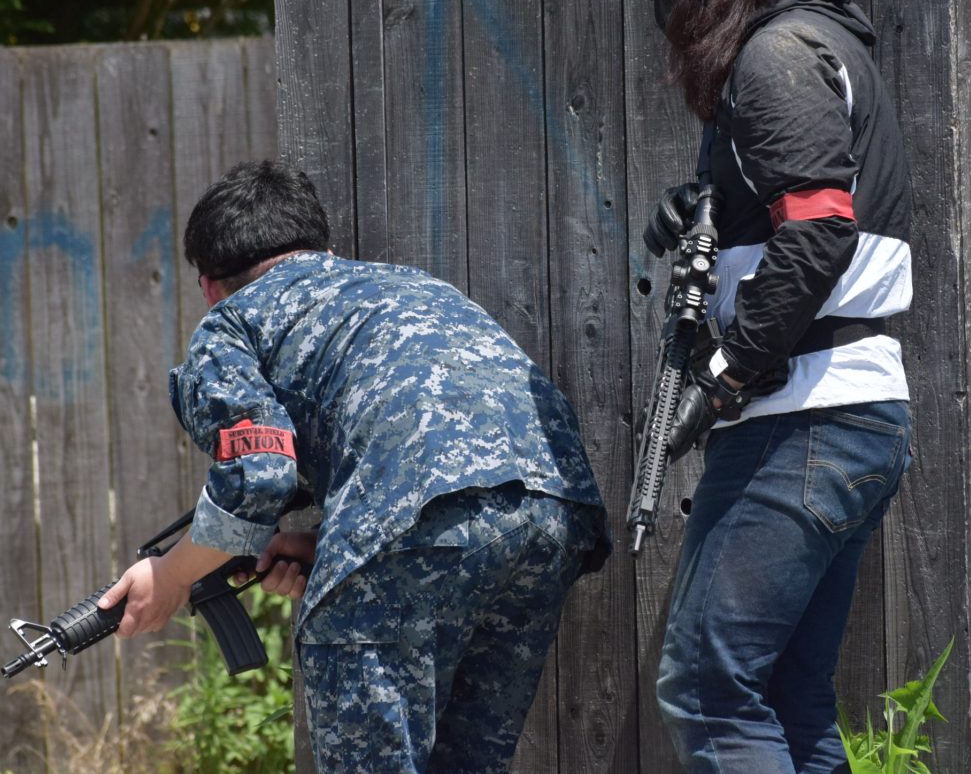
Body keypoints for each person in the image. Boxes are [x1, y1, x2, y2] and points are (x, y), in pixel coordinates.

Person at [99, 160, 609, 773]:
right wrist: (330, 541)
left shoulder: (230, 322)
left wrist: (171, 575)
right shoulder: (412, 286)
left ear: (209, 286)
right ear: (326, 251)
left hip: (417, 522)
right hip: (554, 514)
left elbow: (259, 474)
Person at [625, 0, 914, 773]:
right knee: (789, 695)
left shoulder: (776, 58)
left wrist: (726, 374)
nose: (662, 4)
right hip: (844, 416)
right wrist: (709, 208)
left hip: (803, 419)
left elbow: (820, 233)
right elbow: (798, 209)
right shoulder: (817, 42)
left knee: (707, 689)